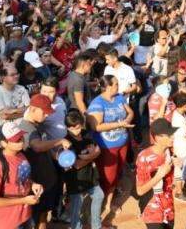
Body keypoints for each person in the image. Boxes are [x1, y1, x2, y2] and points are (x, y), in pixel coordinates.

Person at [18, 93, 68, 229]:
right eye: (44, 113)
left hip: (47, 180)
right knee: (32, 219)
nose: (47, 116)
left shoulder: (38, 124)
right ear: (33, 109)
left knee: (43, 214)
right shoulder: (26, 128)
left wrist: (58, 158)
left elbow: (45, 147)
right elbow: (37, 146)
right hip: (35, 183)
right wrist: (59, 140)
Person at [0, 121, 44, 229]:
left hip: (24, 216)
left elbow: (21, 178)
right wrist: (23, 200)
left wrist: (33, 184)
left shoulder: (20, 155)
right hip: (6, 222)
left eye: (21, 137)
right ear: (3, 143)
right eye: (16, 139)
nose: (21, 141)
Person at [87, 75, 134, 212]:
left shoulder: (119, 97)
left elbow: (129, 112)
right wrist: (119, 124)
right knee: (108, 176)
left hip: (122, 142)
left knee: (118, 170)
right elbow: (96, 127)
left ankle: (110, 194)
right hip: (107, 146)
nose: (118, 87)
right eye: (116, 84)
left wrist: (128, 119)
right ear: (107, 87)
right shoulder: (97, 103)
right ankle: (108, 203)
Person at [63, 109, 104, 229]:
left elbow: (98, 150)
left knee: (99, 195)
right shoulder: (67, 142)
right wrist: (92, 156)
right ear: (67, 127)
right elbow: (76, 165)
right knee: (77, 206)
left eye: (78, 127)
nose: (77, 131)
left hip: (91, 175)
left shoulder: (86, 134)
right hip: (76, 180)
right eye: (72, 128)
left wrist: (86, 157)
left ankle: (96, 225)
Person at [135, 118, 177, 229]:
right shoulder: (144, 157)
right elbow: (140, 190)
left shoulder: (170, 152)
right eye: (169, 135)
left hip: (168, 208)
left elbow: (171, 184)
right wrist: (159, 175)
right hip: (152, 210)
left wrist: (176, 168)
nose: (173, 137)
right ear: (158, 137)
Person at [0, 61, 29, 144]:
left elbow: (30, 109)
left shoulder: (21, 89)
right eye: (12, 75)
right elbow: (4, 116)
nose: (16, 76)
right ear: (3, 77)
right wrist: (23, 111)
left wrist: (13, 111)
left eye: (17, 74)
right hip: (5, 138)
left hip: (22, 135)